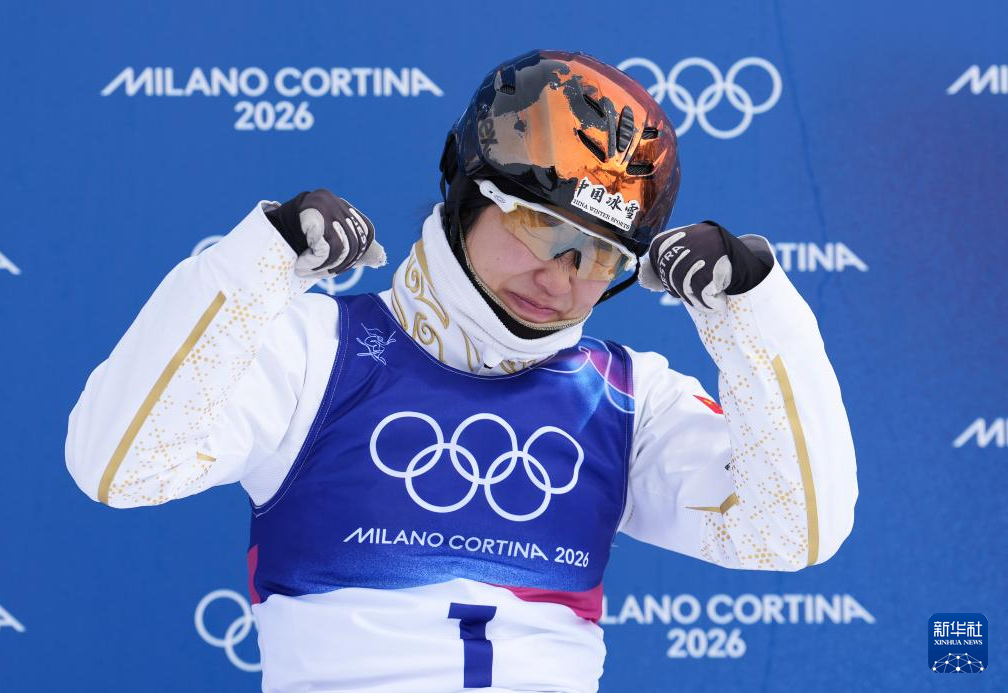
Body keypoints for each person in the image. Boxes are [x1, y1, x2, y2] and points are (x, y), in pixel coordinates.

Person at [65, 50, 858, 693]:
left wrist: (753, 310)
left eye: (599, 256)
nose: (562, 278)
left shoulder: (626, 399)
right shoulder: (316, 349)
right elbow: (118, 464)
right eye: (540, 226)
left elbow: (792, 531)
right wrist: (260, 261)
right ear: (463, 189)